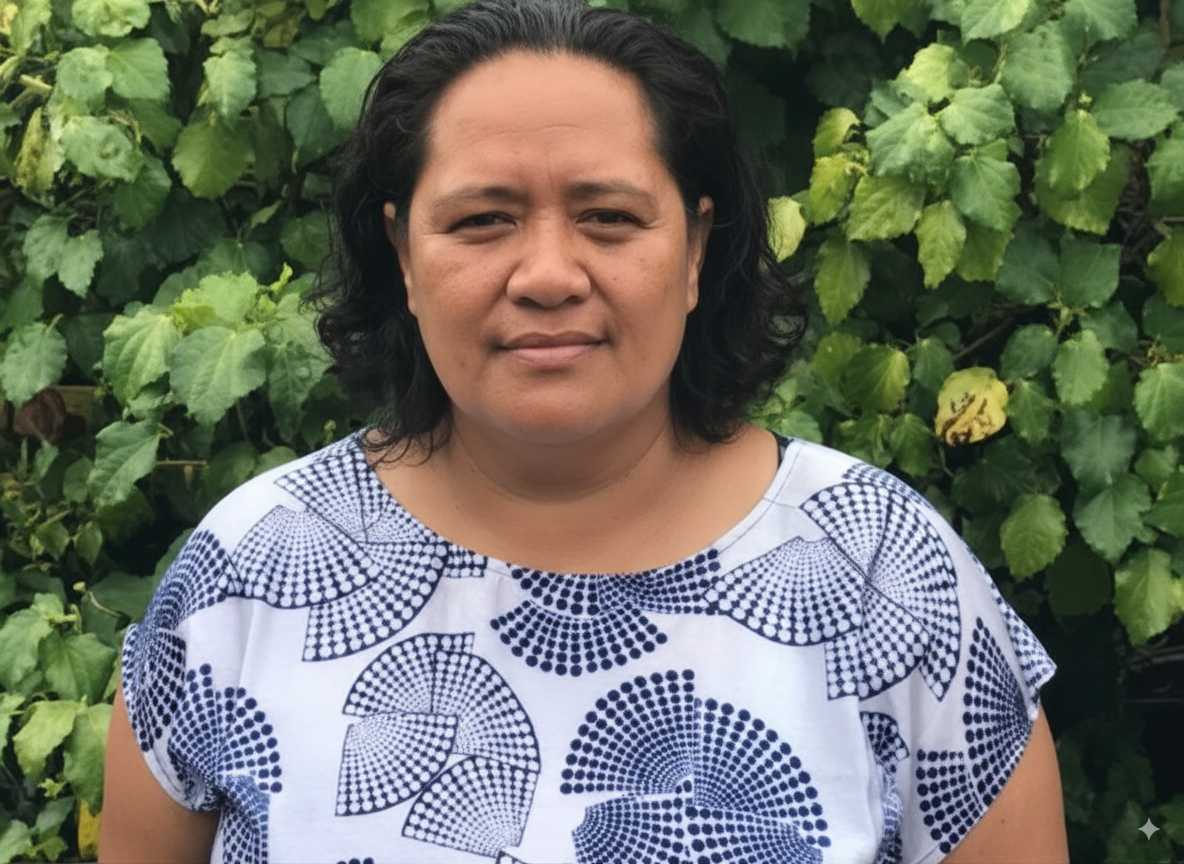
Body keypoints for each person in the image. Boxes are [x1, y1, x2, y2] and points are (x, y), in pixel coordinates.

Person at [99, 1, 1070, 862]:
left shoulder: (881, 572)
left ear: (693, 248)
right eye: (483, 220)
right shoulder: (251, 570)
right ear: (401, 250)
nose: (549, 273)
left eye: (607, 216)